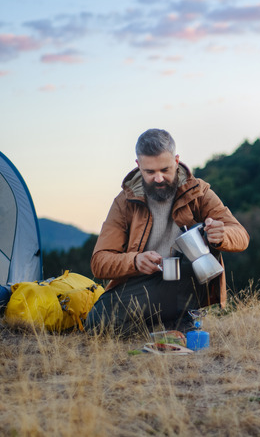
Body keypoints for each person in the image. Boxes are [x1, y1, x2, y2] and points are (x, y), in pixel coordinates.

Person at [85, 128, 249, 335]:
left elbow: (241, 235)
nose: (159, 178)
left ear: (177, 160)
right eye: (150, 172)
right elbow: (99, 262)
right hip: (144, 281)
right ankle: (165, 321)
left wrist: (223, 235)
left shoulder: (197, 191)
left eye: (165, 169)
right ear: (138, 165)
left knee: (203, 234)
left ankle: (180, 314)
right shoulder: (124, 202)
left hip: (186, 278)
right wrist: (135, 261)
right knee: (96, 324)